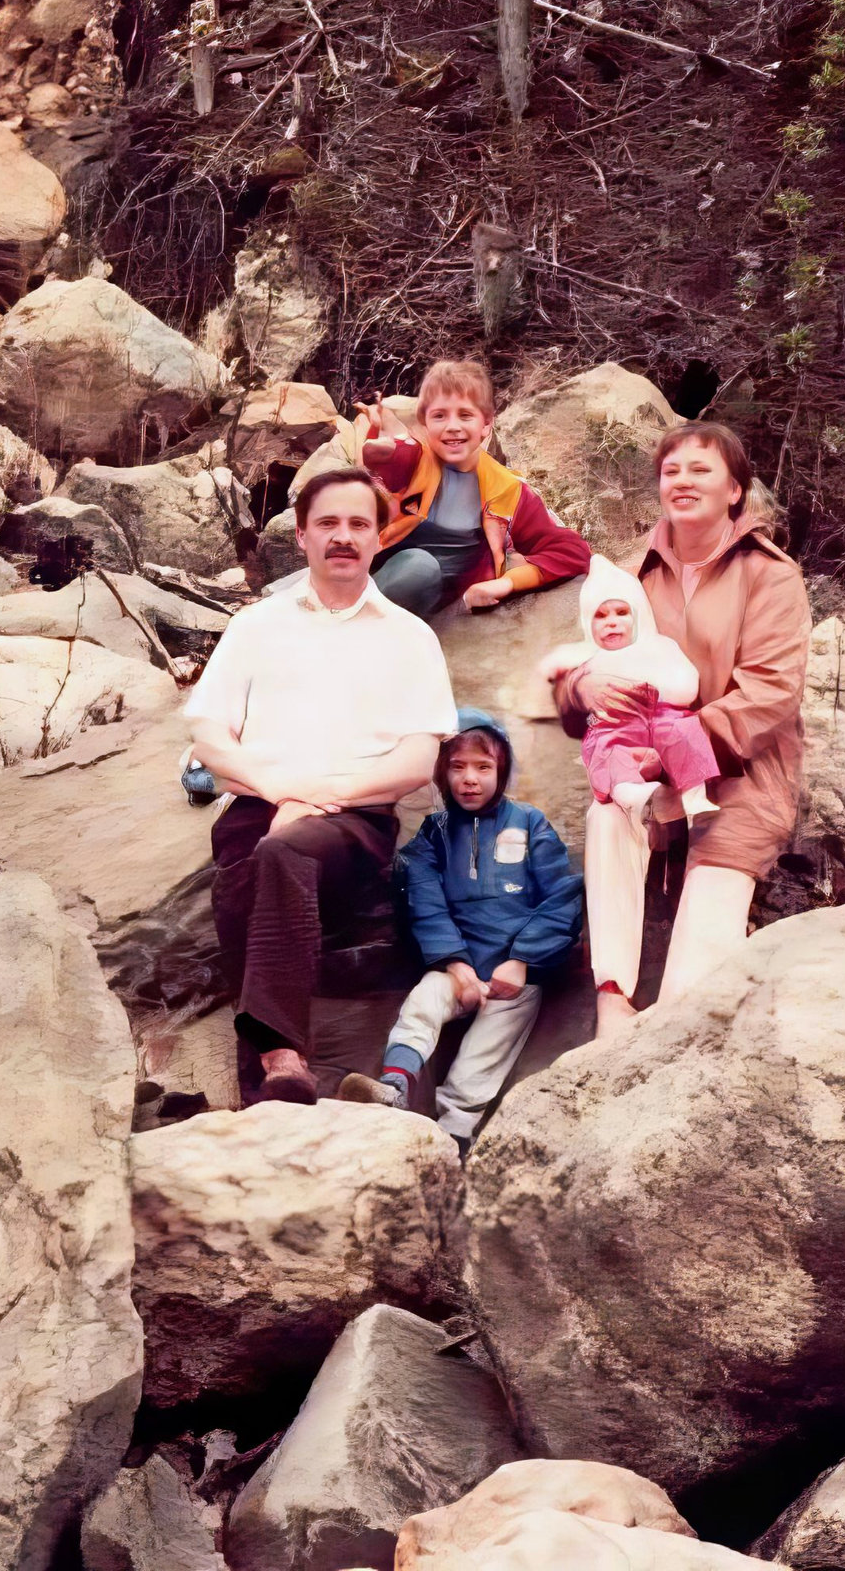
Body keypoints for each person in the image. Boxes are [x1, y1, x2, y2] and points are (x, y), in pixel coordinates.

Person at [182, 466, 460, 1107]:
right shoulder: (257, 624)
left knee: (283, 852)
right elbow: (209, 735)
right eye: (328, 523)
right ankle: (275, 1093)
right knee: (243, 877)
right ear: (302, 535)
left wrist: (316, 803)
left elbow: (417, 761)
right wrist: (283, 794)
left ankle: (280, 1055)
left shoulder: (409, 638)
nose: (343, 536)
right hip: (259, 804)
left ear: (379, 538)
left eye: (358, 524)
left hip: (355, 821)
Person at [572, 420, 810, 1042]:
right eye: (671, 470)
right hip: (650, 765)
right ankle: (612, 1000)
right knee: (606, 815)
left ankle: (672, 1022)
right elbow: (578, 660)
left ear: (735, 490)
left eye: (701, 470)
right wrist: (580, 688)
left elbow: (771, 694)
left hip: (741, 775)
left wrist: (676, 757)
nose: (682, 481)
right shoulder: (630, 576)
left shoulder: (771, 575)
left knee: (687, 999)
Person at [336, 706, 581, 1145]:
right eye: (458, 767)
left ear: (502, 770)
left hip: (514, 976)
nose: (471, 778)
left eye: (484, 767)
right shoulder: (434, 834)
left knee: (484, 1054)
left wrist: (522, 961)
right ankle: (393, 1088)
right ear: (441, 773)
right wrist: (455, 966)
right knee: (424, 1002)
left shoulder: (530, 822)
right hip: (458, 968)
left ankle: (453, 1134)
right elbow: (426, 905)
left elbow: (562, 896)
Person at [344, 356, 591, 619]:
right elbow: (379, 459)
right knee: (419, 566)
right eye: (439, 416)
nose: (453, 427)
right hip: (373, 585)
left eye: (465, 415)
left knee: (422, 568)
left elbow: (572, 551)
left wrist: (507, 582)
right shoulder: (411, 458)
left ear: (486, 425)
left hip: (443, 612)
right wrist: (377, 432)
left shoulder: (508, 489)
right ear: (425, 424)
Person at [545, 558, 720, 822]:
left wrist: (657, 689)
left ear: (637, 616)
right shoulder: (587, 660)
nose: (612, 622)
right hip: (613, 727)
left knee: (685, 728)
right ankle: (635, 798)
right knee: (607, 749)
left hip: (661, 717)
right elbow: (571, 699)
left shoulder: (658, 647)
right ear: (587, 623)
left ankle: (695, 798)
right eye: (600, 616)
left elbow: (687, 685)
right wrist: (579, 688)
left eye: (621, 613)